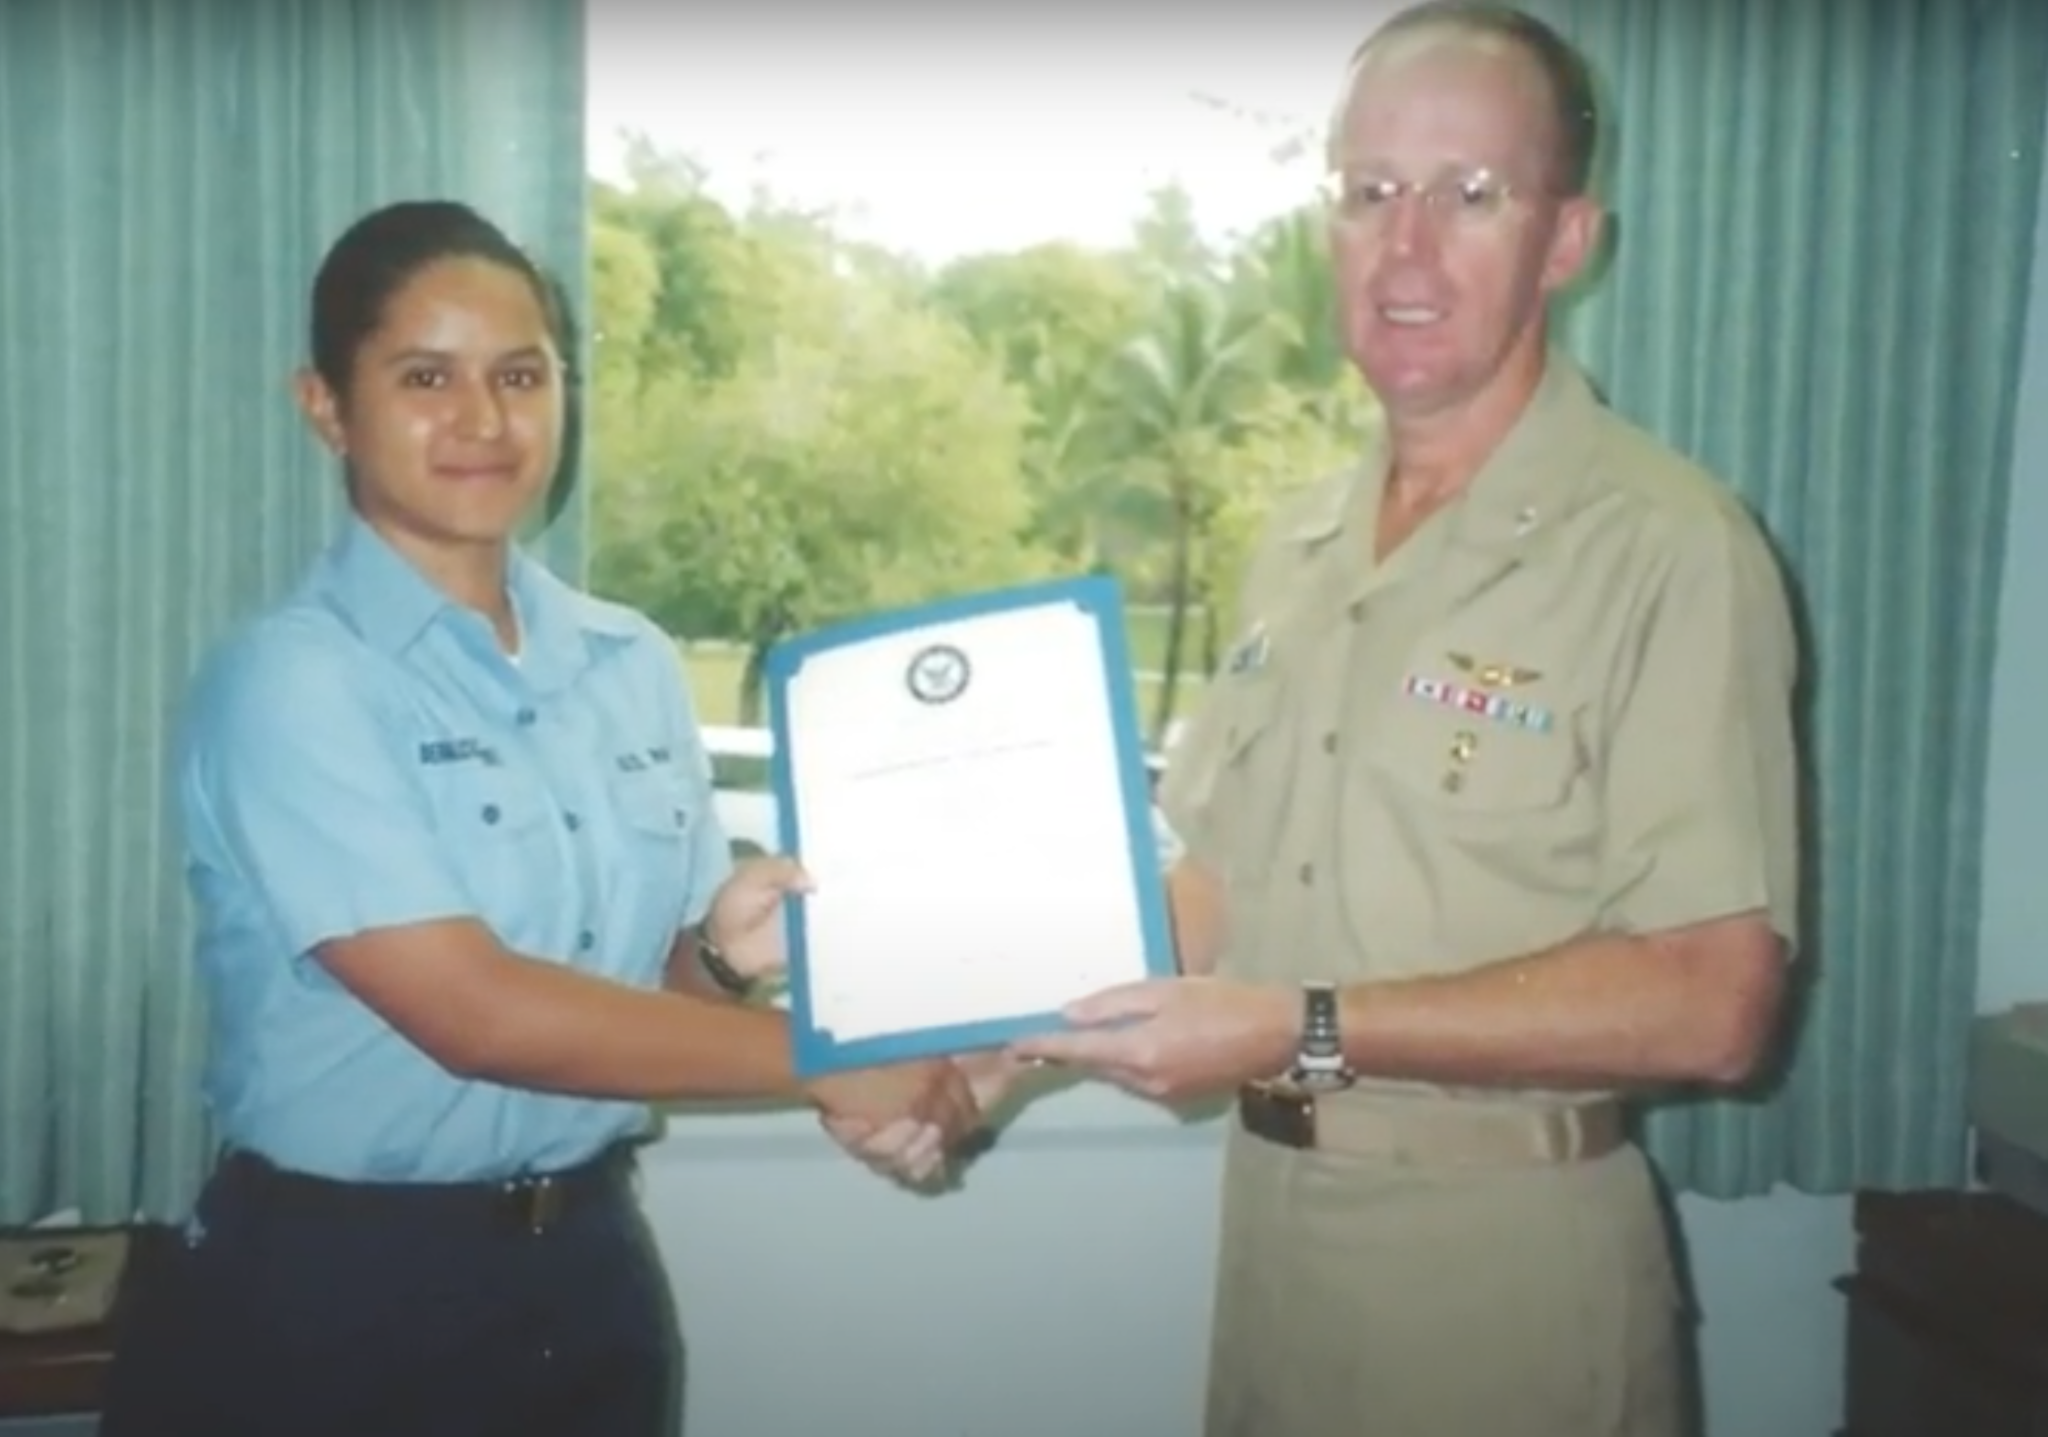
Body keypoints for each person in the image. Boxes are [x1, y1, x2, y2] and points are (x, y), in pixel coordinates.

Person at [1014, 5, 1801, 1436]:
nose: (1410, 246)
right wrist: (968, 1057)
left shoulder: (1669, 545)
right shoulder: (1303, 541)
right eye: (1371, 193)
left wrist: (1295, 1030)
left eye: (1472, 195)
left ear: (1567, 241)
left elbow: (1715, 998)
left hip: (1502, 1273)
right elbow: (1217, 891)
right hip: (1273, 1258)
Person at [98, 198, 989, 1437]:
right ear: (324, 406)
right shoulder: (293, 681)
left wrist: (725, 956)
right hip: (331, 1293)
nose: (483, 419)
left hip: (583, 1268)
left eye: (521, 374)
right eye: (426, 376)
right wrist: (835, 1065)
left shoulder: (627, 660)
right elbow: (476, 1012)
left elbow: (648, 1001)